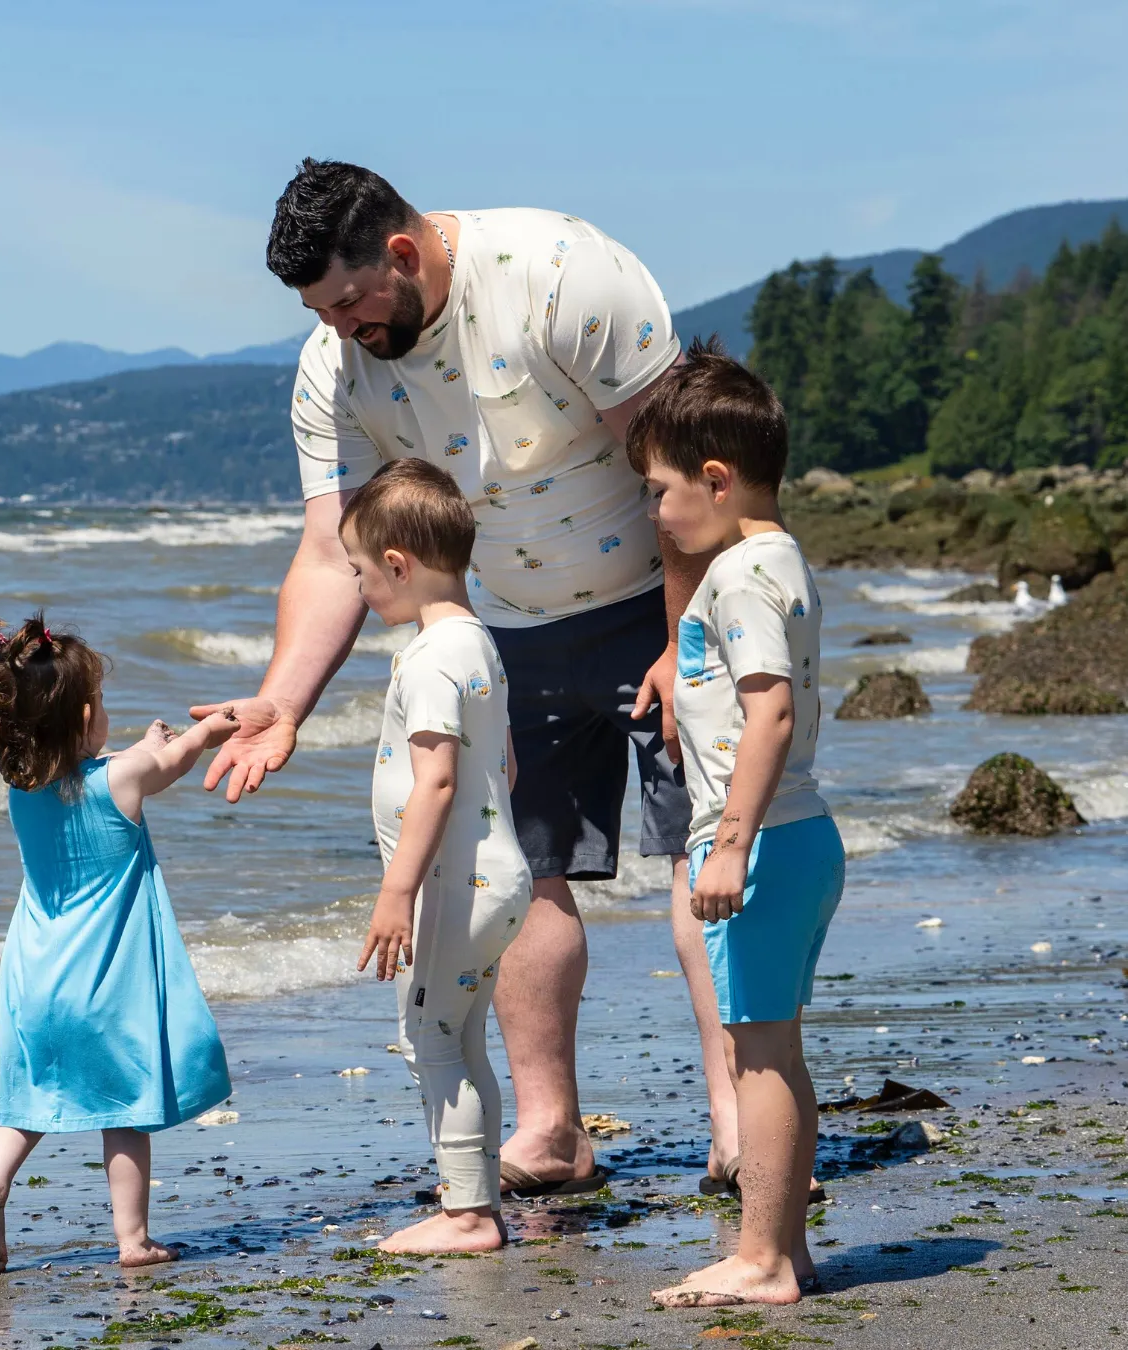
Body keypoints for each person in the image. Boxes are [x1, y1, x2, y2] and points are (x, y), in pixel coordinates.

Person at [192, 158, 729, 1197]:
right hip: (506, 629)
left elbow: (681, 477)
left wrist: (684, 638)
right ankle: (554, 1131)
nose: (343, 328)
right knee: (526, 871)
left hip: (657, 598)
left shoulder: (559, 272)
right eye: (321, 313)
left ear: (402, 252)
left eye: (350, 302)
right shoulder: (332, 368)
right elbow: (327, 552)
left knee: (699, 856)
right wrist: (282, 701)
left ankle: (738, 1124)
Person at [627, 341, 846, 1308]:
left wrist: (726, 844)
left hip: (763, 842)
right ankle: (784, 1250)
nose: (653, 512)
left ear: (715, 482)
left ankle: (759, 1258)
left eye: (658, 490)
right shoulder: (777, 555)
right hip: (802, 836)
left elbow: (771, 713)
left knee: (753, 1051)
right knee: (773, 1050)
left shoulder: (739, 576)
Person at [0, 605, 237, 1272]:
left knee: (23, 1101)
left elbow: (119, 767)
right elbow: (167, 764)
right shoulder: (123, 779)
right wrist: (208, 730)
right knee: (125, 1108)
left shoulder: (22, 790)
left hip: (33, 976)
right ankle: (133, 1240)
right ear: (84, 717)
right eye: (101, 700)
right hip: (104, 982)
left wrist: (143, 745)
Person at [341, 459, 532, 1253]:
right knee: (462, 1036)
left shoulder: (426, 658)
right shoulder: (477, 643)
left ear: (398, 563)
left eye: (359, 573)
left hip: (457, 884)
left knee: (432, 1038)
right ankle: (475, 1198)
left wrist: (397, 890)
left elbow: (438, 782)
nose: (358, 591)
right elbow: (507, 767)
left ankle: (466, 1216)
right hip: (498, 875)